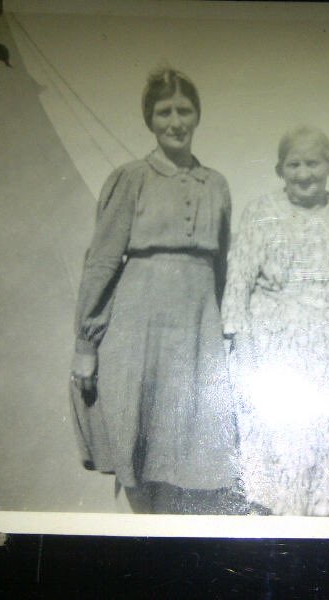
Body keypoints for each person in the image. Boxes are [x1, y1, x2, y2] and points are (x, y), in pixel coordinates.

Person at [69, 68, 241, 514]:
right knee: (139, 445)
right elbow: (102, 261)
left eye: (185, 110)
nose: (175, 121)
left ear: (198, 116)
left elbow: (225, 268)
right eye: (164, 112)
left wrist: (229, 334)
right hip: (138, 331)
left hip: (198, 332)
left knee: (188, 448)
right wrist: (85, 343)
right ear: (150, 119)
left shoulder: (217, 185)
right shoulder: (131, 178)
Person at [222, 125, 329, 516]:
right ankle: (283, 523)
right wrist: (241, 347)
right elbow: (238, 280)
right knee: (284, 435)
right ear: (280, 169)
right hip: (279, 346)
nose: (304, 173)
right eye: (294, 164)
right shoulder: (260, 212)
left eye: (313, 162)